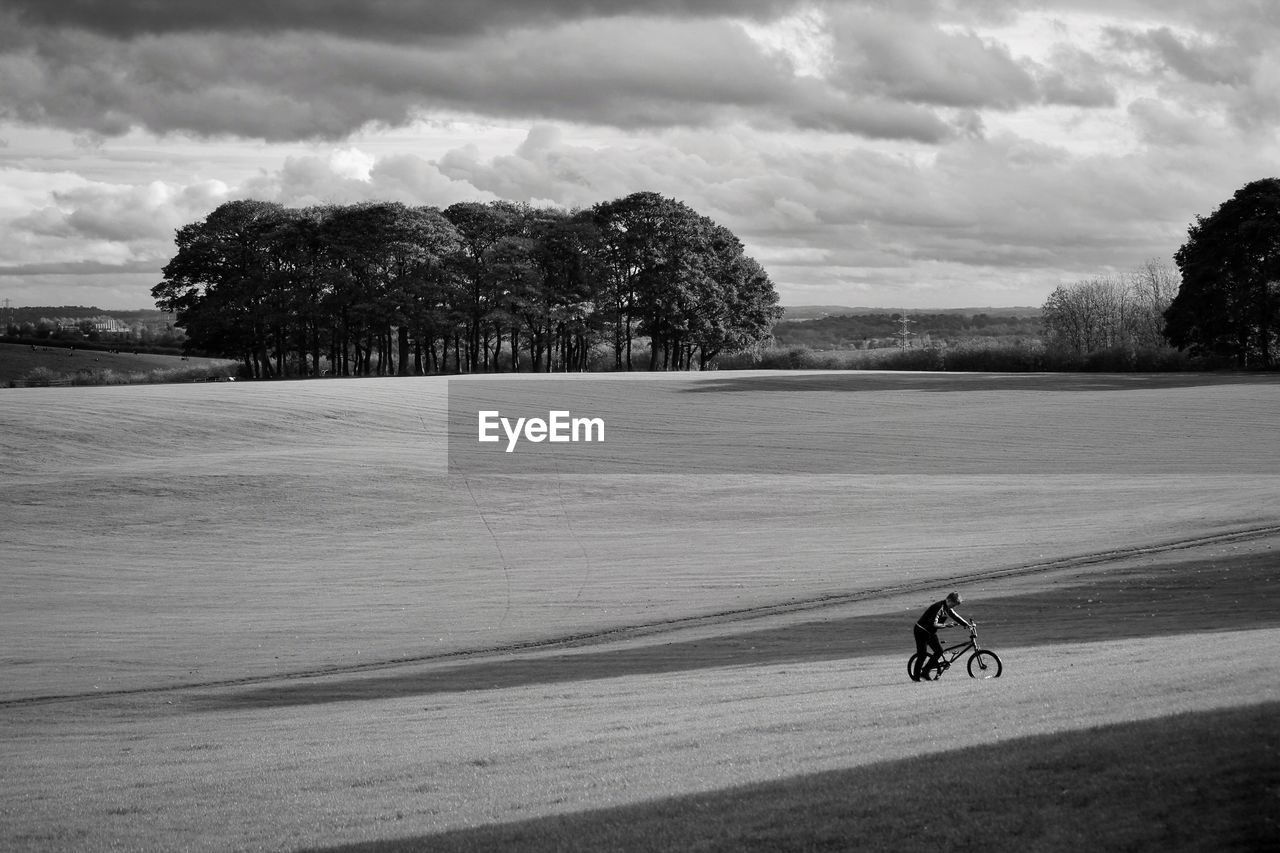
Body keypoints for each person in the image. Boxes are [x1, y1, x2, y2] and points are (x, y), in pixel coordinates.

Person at [912, 591, 972, 681]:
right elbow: (933, 624)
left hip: (930, 632)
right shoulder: (938, 607)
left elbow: (955, 616)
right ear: (948, 600)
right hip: (921, 631)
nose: (953, 607)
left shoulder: (947, 607)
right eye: (953, 604)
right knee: (922, 655)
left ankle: (925, 671)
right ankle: (916, 678)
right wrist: (946, 625)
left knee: (939, 651)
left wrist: (967, 624)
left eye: (955, 605)